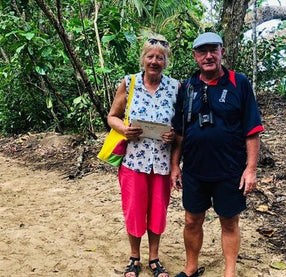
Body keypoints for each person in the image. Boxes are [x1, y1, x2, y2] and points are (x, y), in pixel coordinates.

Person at [171, 32, 265, 277]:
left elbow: (252, 130)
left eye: (213, 50)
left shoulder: (239, 83)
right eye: (202, 51)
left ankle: (230, 272)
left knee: (229, 221)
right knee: (192, 220)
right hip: (194, 168)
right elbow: (179, 132)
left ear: (222, 51)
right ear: (195, 56)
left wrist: (251, 169)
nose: (209, 56)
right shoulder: (187, 87)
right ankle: (191, 267)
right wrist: (175, 165)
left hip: (230, 169)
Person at [107, 35, 178, 277]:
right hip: (133, 161)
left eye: (160, 57)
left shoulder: (175, 87)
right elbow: (112, 116)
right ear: (143, 59)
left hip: (161, 162)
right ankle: (134, 257)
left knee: (158, 211)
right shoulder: (130, 83)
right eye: (150, 56)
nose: (155, 61)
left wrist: (174, 135)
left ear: (166, 62)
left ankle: (155, 258)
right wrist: (124, 130)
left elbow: (180, 125)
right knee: (134, 210)